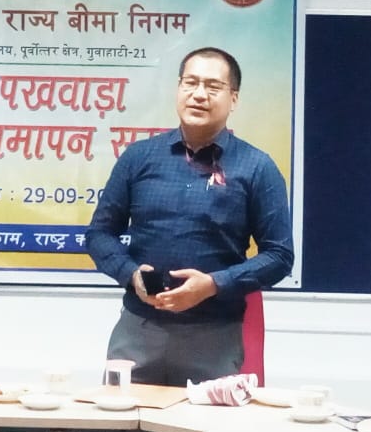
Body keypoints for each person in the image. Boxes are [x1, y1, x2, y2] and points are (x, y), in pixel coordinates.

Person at [85, 46, 294, 387]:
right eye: (190, 83)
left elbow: (280, 255)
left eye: (213, 86)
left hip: (215, 336)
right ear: (178, 88)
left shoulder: (257, 167)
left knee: (205, 422)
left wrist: (213, 285)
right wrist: (130, 274)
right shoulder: (138, 158)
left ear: (233, 99)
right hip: (138, 330)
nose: (199, 94)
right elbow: (99, 234)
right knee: (122, 418)